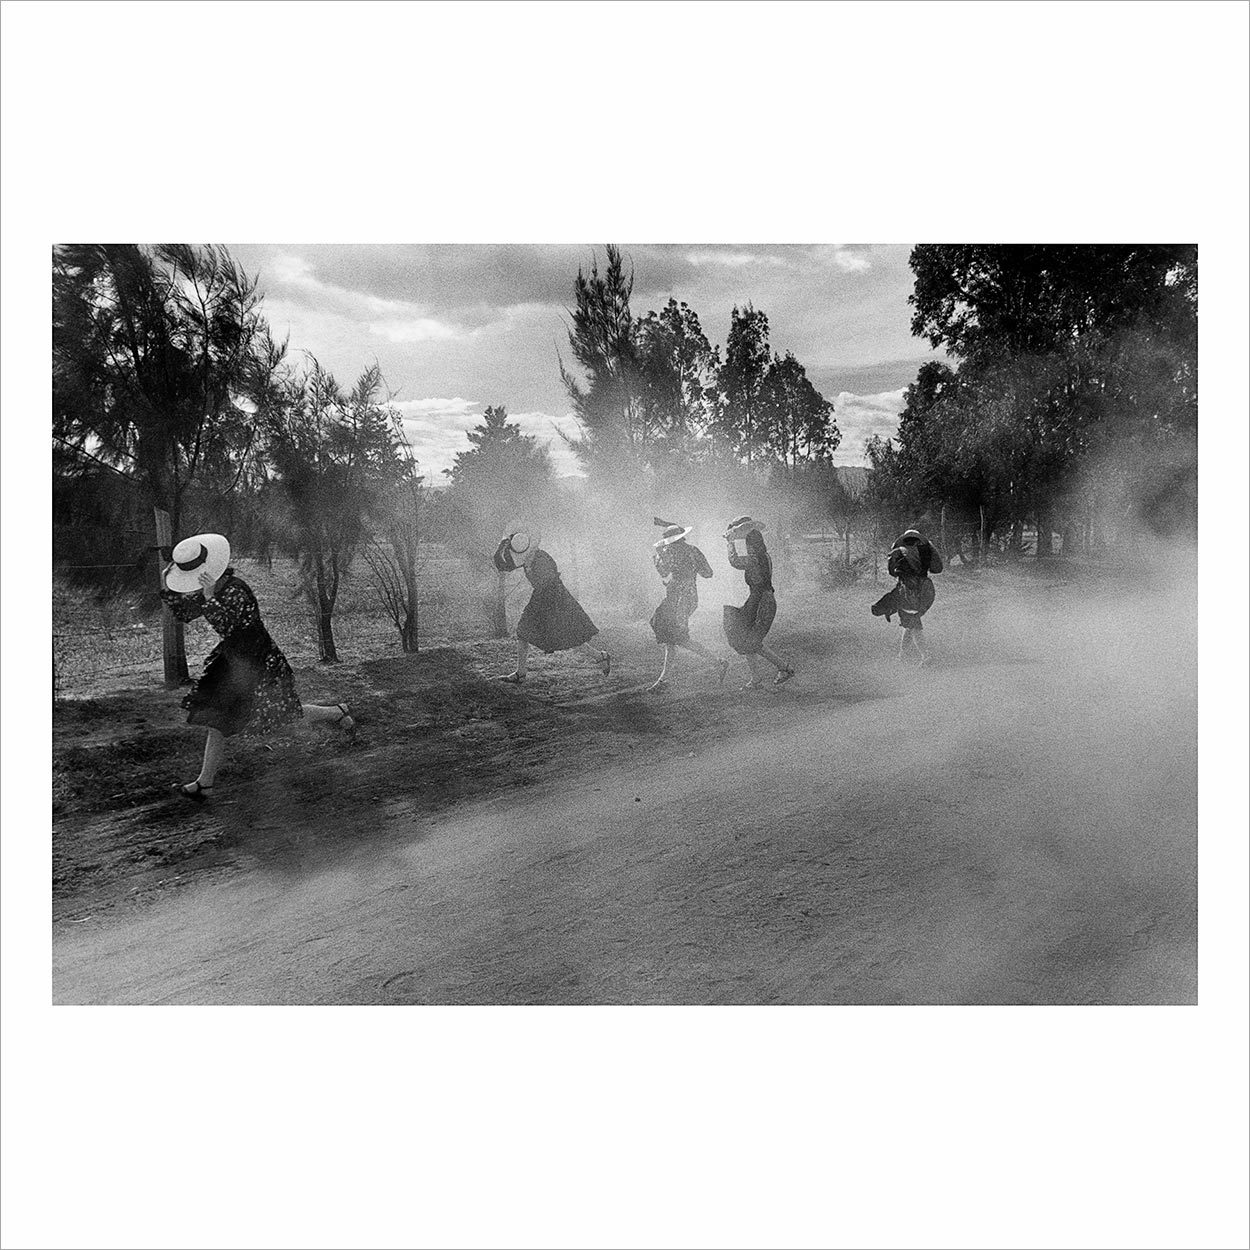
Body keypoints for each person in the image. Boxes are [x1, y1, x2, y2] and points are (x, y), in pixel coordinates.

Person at [159, 533, 354, 801]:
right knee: (217, 720)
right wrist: (170, 583)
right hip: (232, 665)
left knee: (284, 715)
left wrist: (207, 596)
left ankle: (336, 712)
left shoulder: (237, 590)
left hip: (259, 663)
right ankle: (205, 783)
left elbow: (232, 629)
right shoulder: (213, 588)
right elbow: (184, 613)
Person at [493, 530, 610, 683]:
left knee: (569, 636)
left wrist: (542, 611)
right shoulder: (526, 557)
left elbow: (547, 584)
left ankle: (600, 656)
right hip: (542, 600)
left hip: (555, 600)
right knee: (523, 632)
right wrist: (505, 544)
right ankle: (520, 673)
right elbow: (502, 565)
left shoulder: (542, 559)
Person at [647, 519, 730, 694]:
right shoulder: (693, 551)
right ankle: (664, 679)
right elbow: (708, 573)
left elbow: (663, 572)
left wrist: (658, 555)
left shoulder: (668, 552)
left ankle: (717, 662)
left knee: (676, 637)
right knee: (672, 637)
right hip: (688, 596)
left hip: (677, 597)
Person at [721, 516, 795, 689]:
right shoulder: (761, 556)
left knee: (750, 641)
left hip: (762, 601)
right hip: (760, 599)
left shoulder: (755, 558)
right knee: (746, 638)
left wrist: (731, 543)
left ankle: (783, 669)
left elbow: (737, 562)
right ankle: (760, 678)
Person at [871, 527, 944, 663]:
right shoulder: (927, 550)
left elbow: (892, 572)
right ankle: (902, 655)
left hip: (907, 591)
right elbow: (938, 569)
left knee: (913, 624)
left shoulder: (898, 551)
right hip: (925, 590)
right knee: (909, 623)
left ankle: (926, 656)